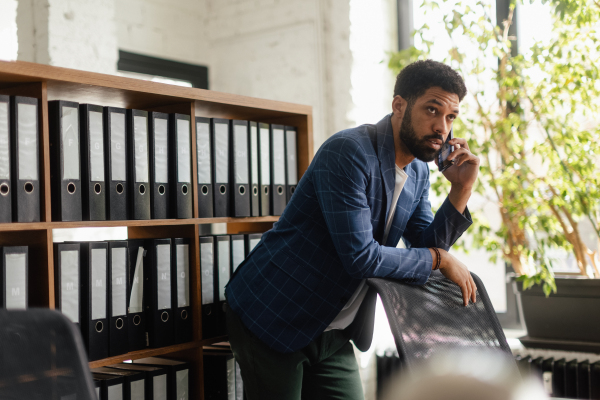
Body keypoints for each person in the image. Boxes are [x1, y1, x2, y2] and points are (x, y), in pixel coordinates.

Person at [225, 59, 480, 400]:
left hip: (333, 328)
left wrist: (460, 191)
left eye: (450, 117)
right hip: (275, 314)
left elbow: (427, 244)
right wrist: (439, 259)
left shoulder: (419, 172)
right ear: (399, 105)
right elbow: (361, 257)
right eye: (432, 110)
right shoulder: (349, 152)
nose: (441, 128)